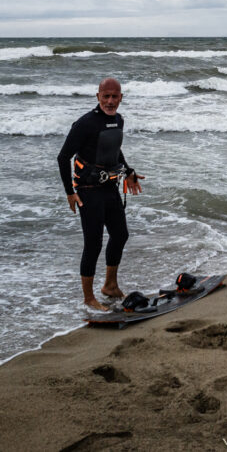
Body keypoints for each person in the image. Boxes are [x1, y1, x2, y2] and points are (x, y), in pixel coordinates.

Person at [57, 78, 143, 310]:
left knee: (120, 235)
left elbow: (114, 150)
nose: (110, 101)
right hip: (88, 191)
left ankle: (110, 286)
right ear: (98, 97)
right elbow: (63, 157)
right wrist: (69, 192)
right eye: (106, 96)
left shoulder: (118, 120)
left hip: (109, 188)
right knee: (93, 244)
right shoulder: (85, 123)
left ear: (121, 98)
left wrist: (129, 171)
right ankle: (89, 298)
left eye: (115, 96)